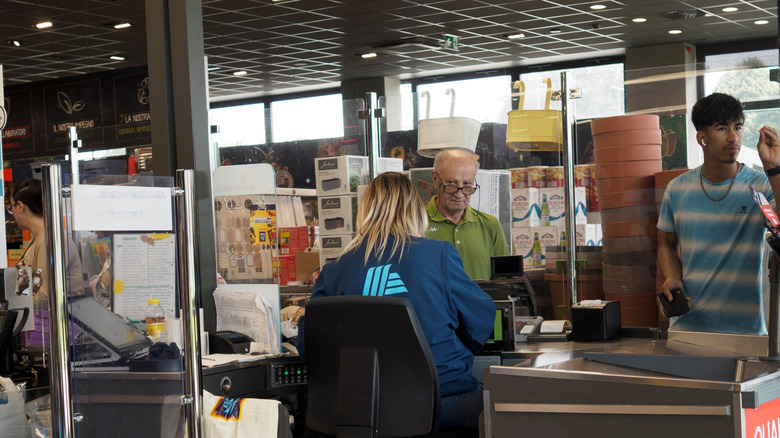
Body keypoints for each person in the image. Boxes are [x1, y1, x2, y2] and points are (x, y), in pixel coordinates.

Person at [296, 172, 495, 431]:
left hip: (358, 414)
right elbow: (481, 322)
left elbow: (310, 345)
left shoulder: (335, 271)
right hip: (442, 404)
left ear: (365, 211)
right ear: (416, 209)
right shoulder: (439, 255)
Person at [657, 93, 780, 335]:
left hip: (745, 330)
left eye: (738, 127)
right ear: (701, 138)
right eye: (722, 128)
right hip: (688, 327)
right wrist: (671, 277)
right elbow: (666, 245)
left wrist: (774, 169)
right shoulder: (677, 189)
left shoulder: (761, 186)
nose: (734, 137)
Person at [425, 149, 509, 280]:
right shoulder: (415, 223)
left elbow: (504, 282)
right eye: (451, 184)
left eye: (467, 184)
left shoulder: (490, 225)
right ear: (435, 179)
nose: (459, 194)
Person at [10, 178, 85, 310]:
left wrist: (11, 304)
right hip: (42, 325)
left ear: (20, 206)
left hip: (57, 325)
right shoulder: (37, 239)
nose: (12, 213)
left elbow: (45, 296)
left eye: (12, 206)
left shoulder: (48, 240)